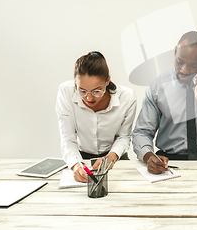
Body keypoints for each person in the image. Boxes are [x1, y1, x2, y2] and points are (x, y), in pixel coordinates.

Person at [132, 31, 197, 174]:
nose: (184, 70)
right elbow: (142, 132)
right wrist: (148, 155)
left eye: (193, 64)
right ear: (175, 51)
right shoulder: (157, 86)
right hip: (168, 160)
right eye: (180, 61)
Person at [56, 51, 137, 182]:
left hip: (114, 157)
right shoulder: (66, 92)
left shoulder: (127, 97)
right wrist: (76, 165)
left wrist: (111, 157)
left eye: (96, 91)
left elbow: (123, 137)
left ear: (107, 81)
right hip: (81, 158)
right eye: (81, 90)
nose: (89, 97)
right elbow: (68, 138)